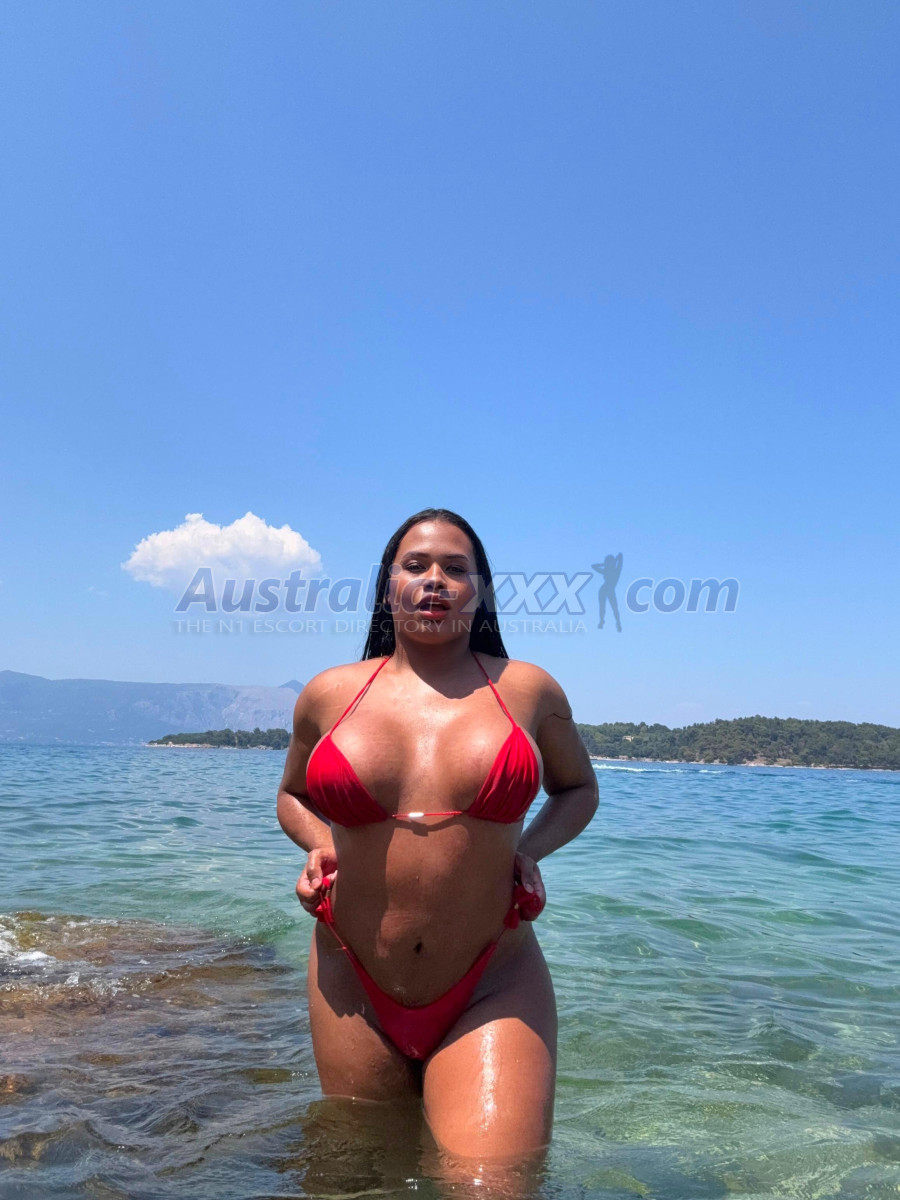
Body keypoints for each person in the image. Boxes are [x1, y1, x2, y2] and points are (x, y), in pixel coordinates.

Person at [277, 508, 598, 1171]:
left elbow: (577, 789)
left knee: (494, 1182)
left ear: (480, 592)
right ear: (386, 585)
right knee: (356, 1175)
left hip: (493, 979)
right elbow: (293, 795)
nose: (435, 581)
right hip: (350, 977)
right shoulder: (328, 695)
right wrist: (319, 843)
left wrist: (530, 850)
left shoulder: (527, 689)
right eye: (416, 565)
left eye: (456, 568)